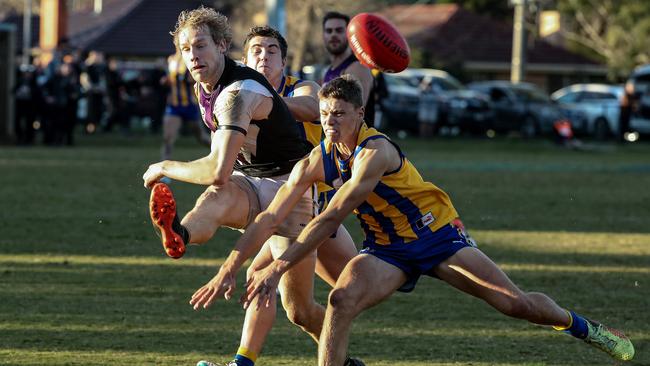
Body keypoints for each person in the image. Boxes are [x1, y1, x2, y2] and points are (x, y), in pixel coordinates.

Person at [196, 76, 635, 365]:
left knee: (514, 304)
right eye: (324, 115)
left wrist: (278, 266)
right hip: (387, 250)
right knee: (340, 302)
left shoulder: (375, 152)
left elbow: (331, 215)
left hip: (437, 236)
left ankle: (584, 327)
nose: (329, 123)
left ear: (359, 116)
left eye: (339, 116)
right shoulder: (315, 160)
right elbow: (271, 215)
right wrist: (229, 267)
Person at [142, 8, 359, 366]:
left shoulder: (250, 91)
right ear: (244, 55)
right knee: (216, 200)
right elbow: (222, 166)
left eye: (272, 50)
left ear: (222, 47)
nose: (193, 55)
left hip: (297, 193)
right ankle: (179, 233)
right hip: (250, 179)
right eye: (186, 49)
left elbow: (310, 107)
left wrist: (166, 166)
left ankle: (343, 359)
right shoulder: (208, 85)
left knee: (300, 308)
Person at [321, 11, 375, 126]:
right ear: (323, 35)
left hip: (360, 142)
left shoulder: (357, 67)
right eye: (329, 31)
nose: (333, 35)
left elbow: (352, 113)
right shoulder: (329, 70)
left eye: (339, 30)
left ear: (349, 34)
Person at [160, 52, 210, 160]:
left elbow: (196, 78)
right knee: (168, 138)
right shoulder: (171, 59)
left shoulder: (191, 59)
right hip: (174, 105)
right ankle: (164, 172)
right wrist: (166, 81)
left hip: (189, 105)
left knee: (201, 137)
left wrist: (189, 78)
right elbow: (170, 78)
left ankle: (224, 154)